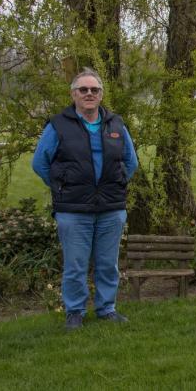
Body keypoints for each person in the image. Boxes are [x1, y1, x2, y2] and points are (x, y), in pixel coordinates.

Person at [32, 68, 138, 330]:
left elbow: (131, 162)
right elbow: (40, 163)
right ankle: (75, 312)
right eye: (83, 90)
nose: (89, 94)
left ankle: (106, 309)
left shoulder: (116, 124)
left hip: (111, 209)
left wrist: (115, 185)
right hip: (73, 210)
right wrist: (63, 187)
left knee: (107, 264)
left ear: (101, 95)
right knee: (76, 265)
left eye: (94, 90)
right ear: (74, 94)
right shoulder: (58, 125)